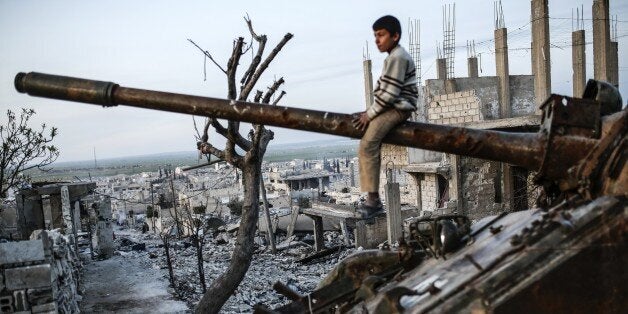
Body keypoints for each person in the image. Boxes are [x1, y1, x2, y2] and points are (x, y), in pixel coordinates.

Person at [352, 15, 418, 219]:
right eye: (375, 36)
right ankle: (372, 196)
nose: (377, 40)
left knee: (367, 144)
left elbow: (389, 95)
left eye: (381, 35)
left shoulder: (398, 57)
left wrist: (369, 115)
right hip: (392, 107)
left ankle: (373, 200)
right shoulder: (393, 57)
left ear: (395, 36)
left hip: (397, 108)